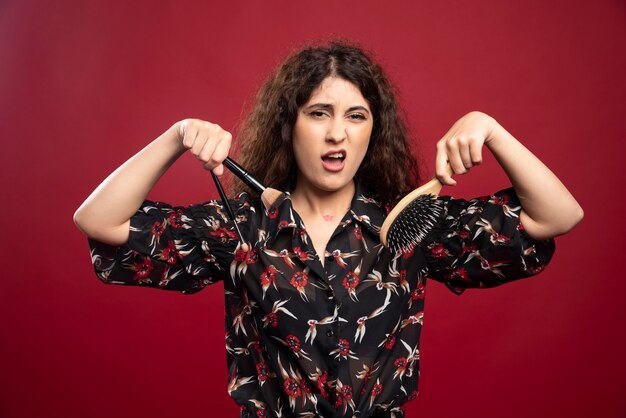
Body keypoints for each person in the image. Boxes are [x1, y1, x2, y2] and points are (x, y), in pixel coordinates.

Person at [74, 41, 583, 418]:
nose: (337, 133)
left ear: (372, 132)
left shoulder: (406, 227)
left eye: (356, 116)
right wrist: (177, 135)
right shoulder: (240, 227)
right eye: (319, 113)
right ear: (288, 125)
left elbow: (557, 216)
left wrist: (488, 127)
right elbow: (98, 221)